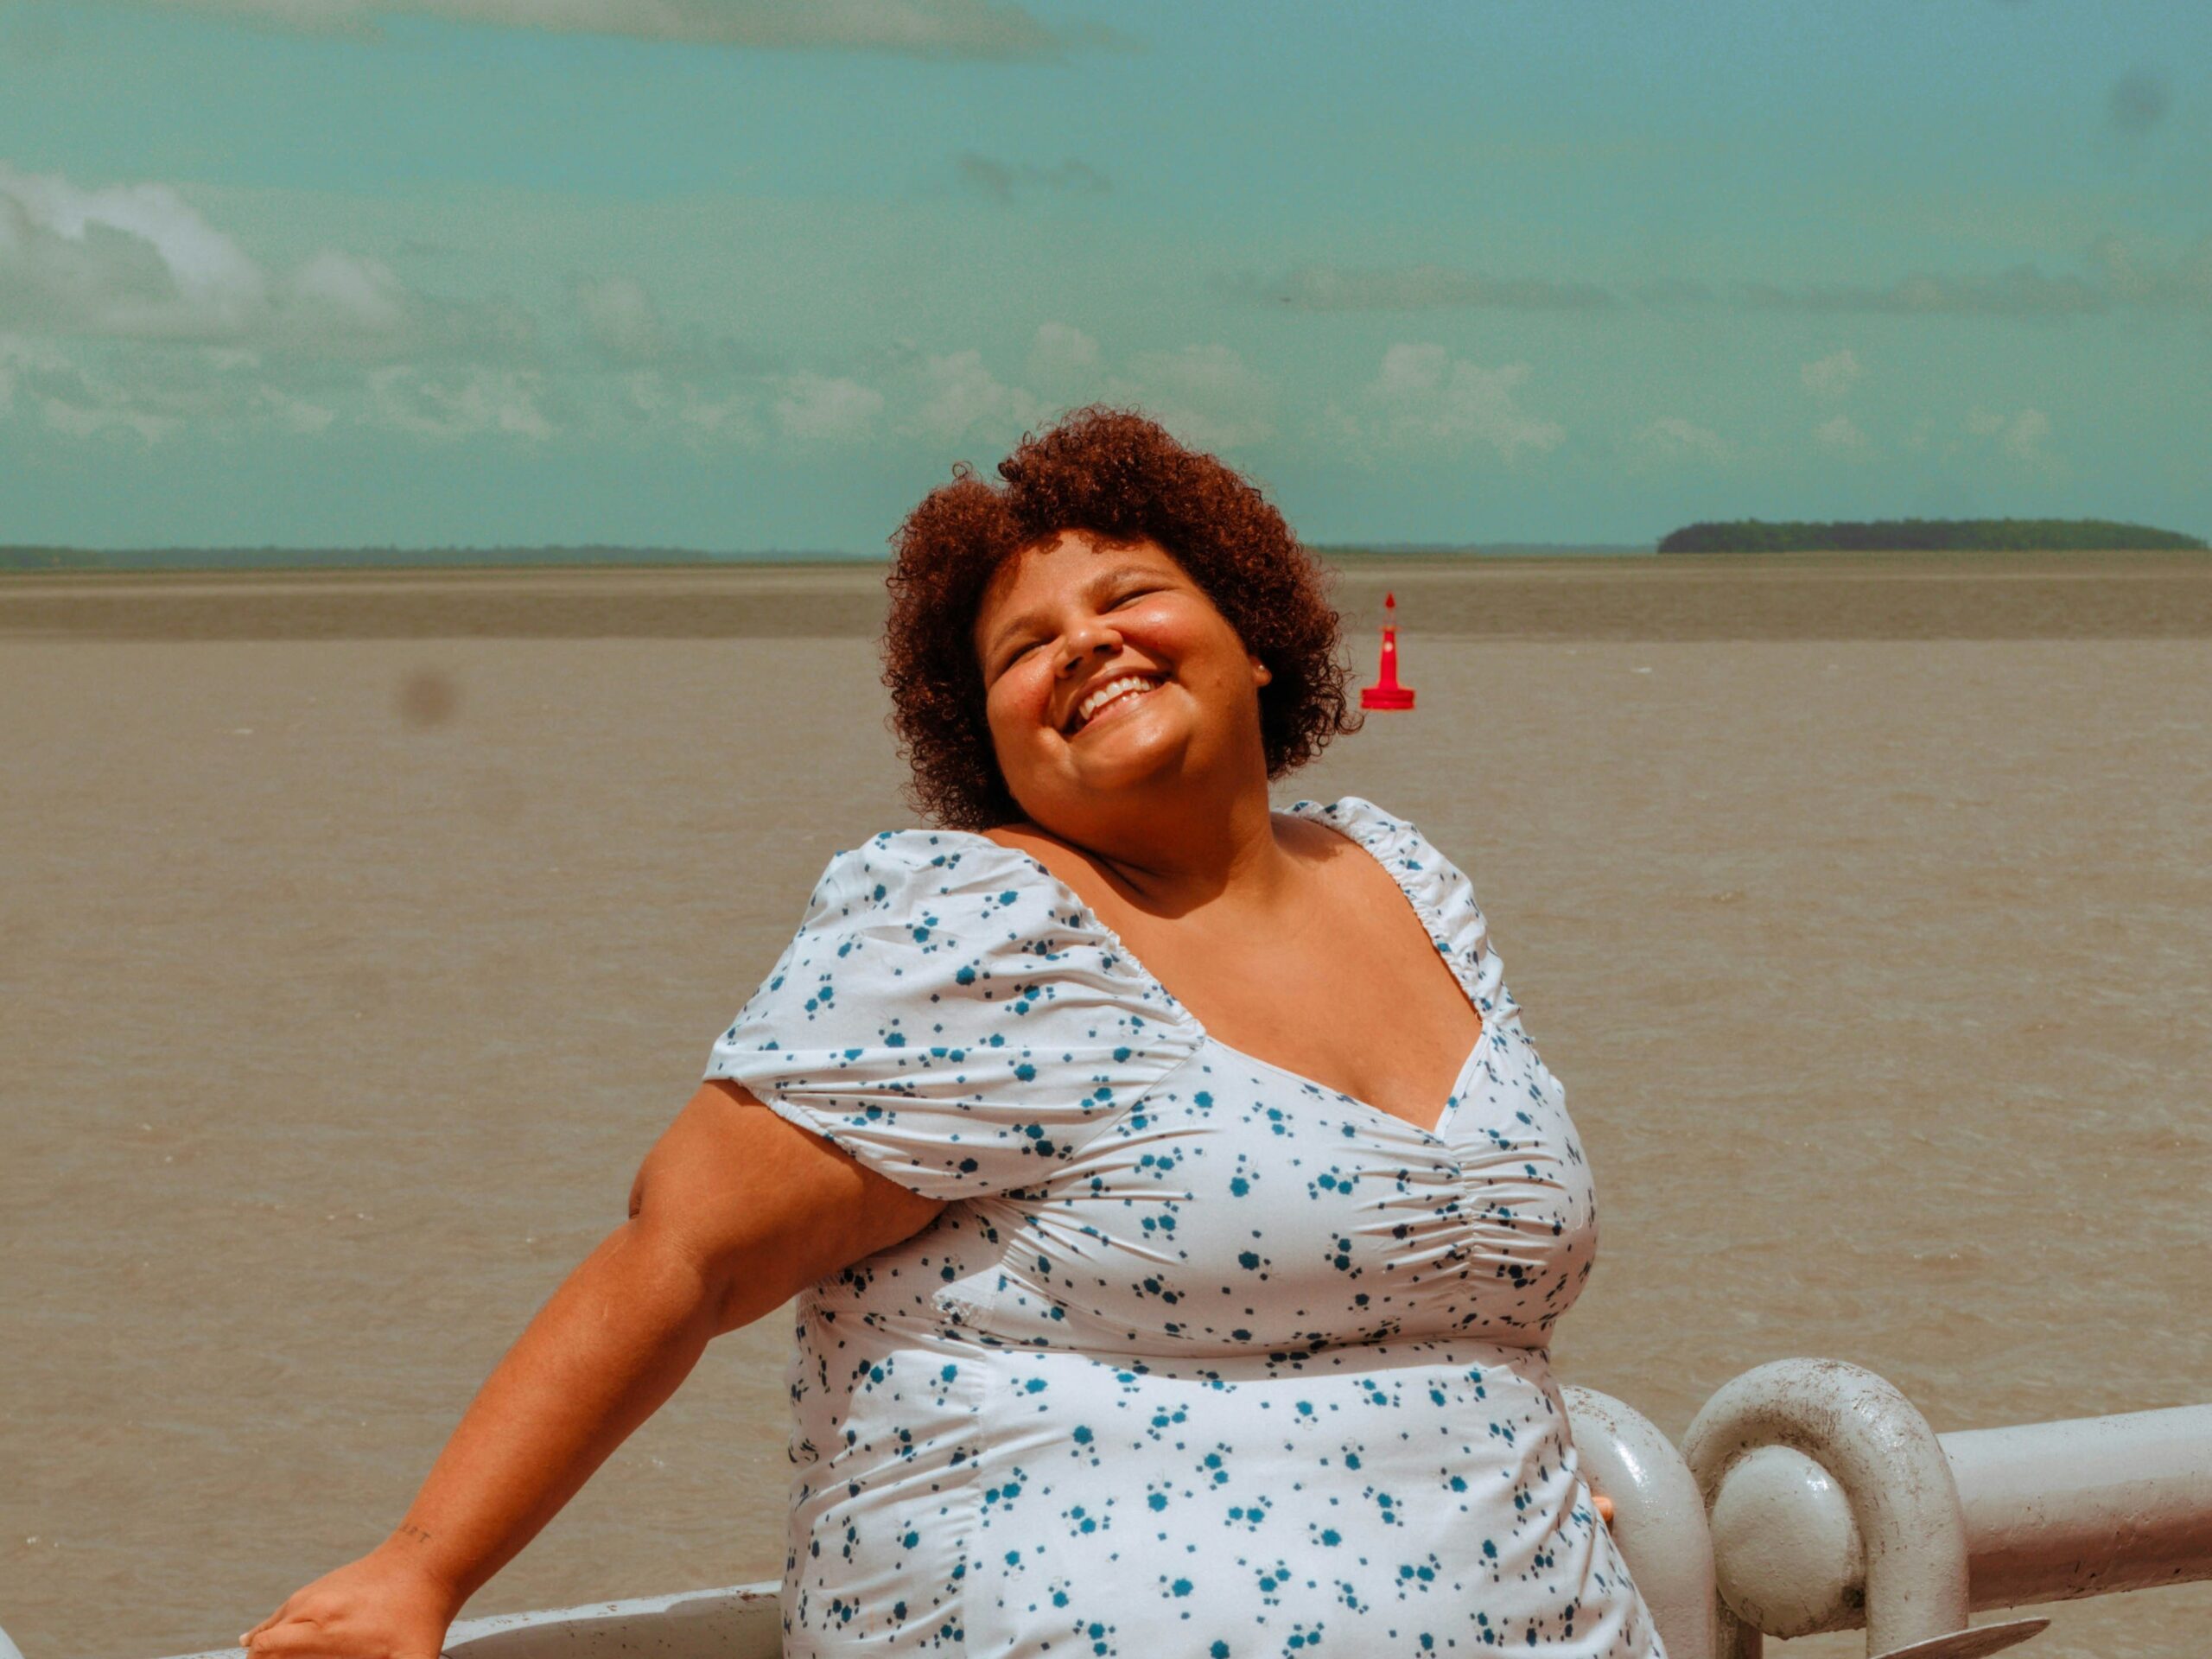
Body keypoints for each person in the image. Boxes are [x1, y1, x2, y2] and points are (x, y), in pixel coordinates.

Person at [240, 407, 1662, 1658]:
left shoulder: (1404, 879)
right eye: (1024, 650)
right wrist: (421, 1573)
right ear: (992, 748)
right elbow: (679, 1255)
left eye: (1131, 598)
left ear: (1257, 640)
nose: (1086, 645)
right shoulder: (978, 928)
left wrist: (1469, 1449)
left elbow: (1447, 1287)